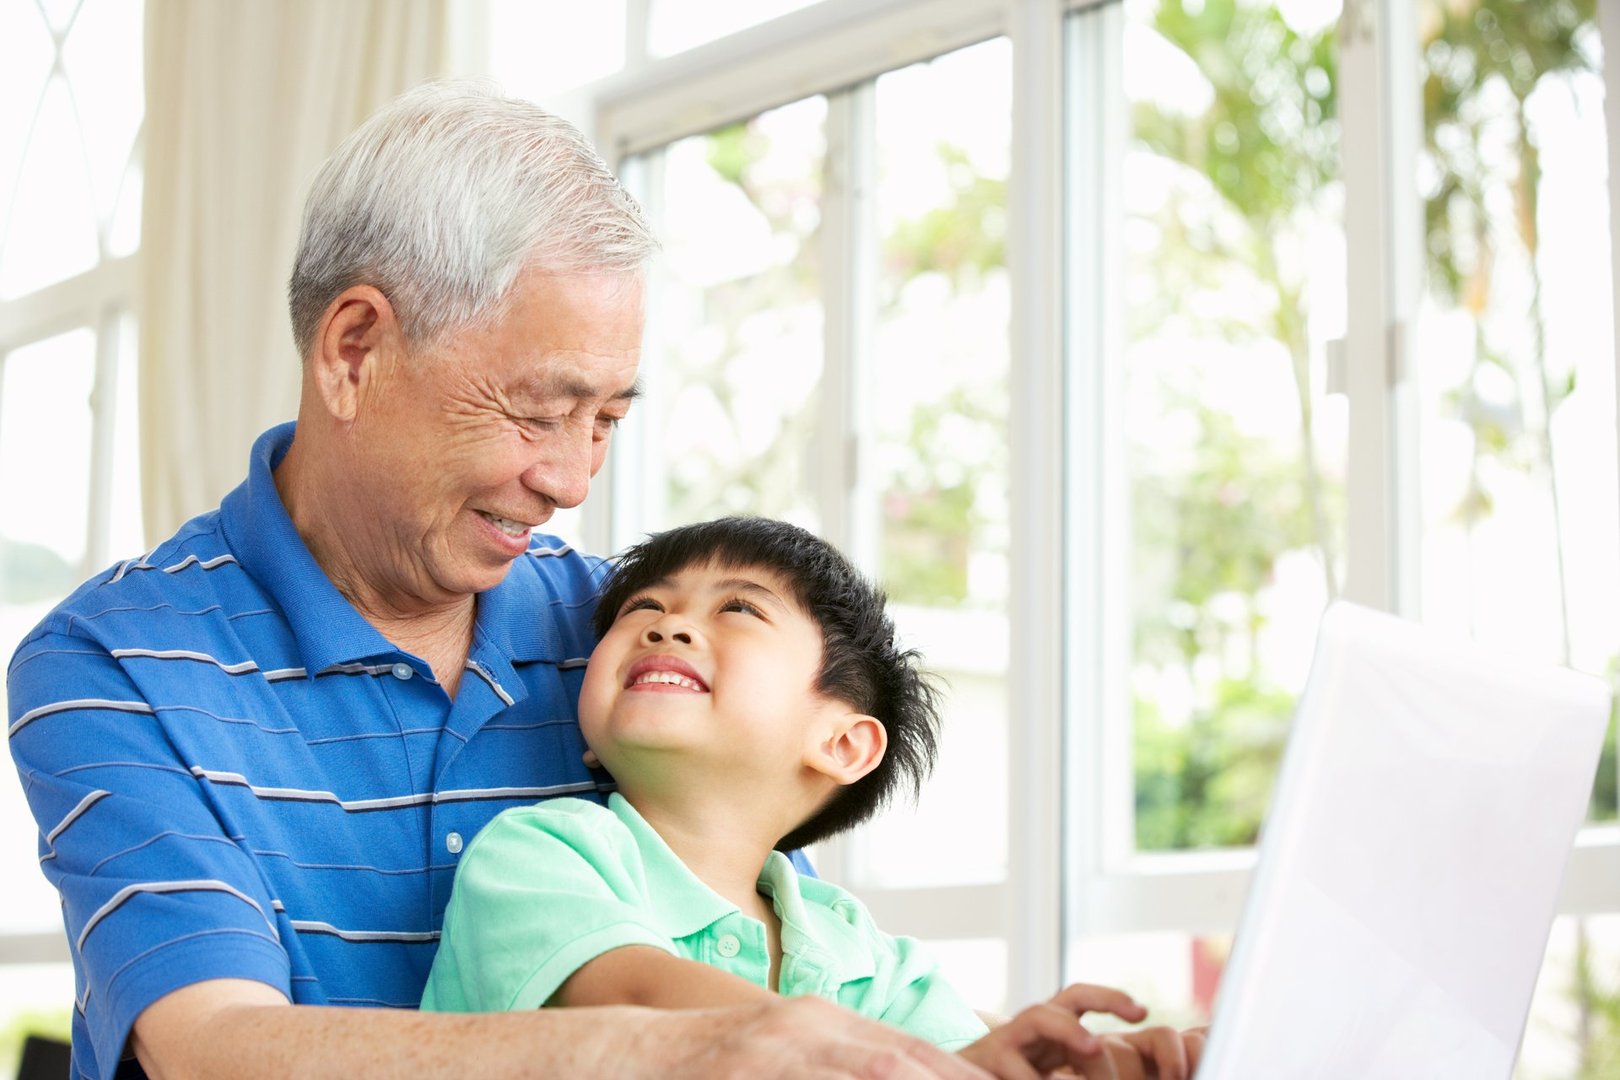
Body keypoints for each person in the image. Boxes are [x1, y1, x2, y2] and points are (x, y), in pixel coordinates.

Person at [7, 80, 1192, 1080]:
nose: (571, 481)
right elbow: (215, 1043)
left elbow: (769, 968)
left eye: (608, 420)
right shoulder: (113, 663)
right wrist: (674, 1047)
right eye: (538, 411)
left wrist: (965, 1063)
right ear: (355, 350)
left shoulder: (628, 637)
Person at [422, 517, 1204, 1080]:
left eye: (737, 608)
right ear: (590, 736)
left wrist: (1091, 1063)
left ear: (841, 745)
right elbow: (633, 1002)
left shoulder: (859, 956)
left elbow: (950, 1062)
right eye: (644, 609)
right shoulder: (541, 856)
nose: (670, 628)